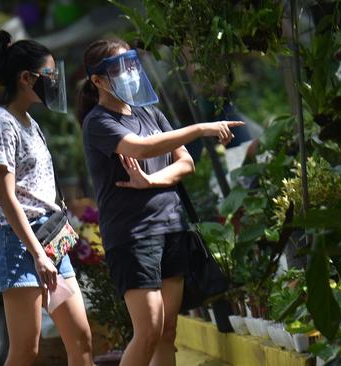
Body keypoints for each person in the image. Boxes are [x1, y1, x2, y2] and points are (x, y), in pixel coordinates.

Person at [77, 38, 243, 366]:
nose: (129, 73)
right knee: (149, 329)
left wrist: (151, 181)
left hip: (171, 227)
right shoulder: (97, 122)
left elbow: (185, 164)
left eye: (131, 65)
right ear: (97, 80)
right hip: (133, 236)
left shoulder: (150, 112)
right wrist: (200, 128)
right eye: (117, 68)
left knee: (167, 331)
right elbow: (140, 148)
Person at [0, 30, 93, 366]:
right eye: (49, 75)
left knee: (81, 340)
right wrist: (37, 254)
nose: (55, 82)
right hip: (19, 243)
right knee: (26, 351)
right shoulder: (0, 123)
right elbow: (6, 197)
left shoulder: (29, 121)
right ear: (26, 79)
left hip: (49, 239)